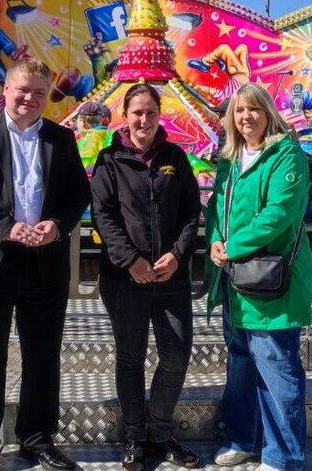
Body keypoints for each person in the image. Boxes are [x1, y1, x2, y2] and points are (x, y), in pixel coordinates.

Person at [0, 58, 90, 471]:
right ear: (6, 90)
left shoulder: (61, 139)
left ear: (48, 97)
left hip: (44, 263)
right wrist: (6, 228)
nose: (30, 99)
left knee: (43, 357)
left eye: (39, 93)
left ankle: (37, 439)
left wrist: (57, 226)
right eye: (23, 90)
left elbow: (78, 193)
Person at [89, 83, 202, 471]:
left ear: (159, 115)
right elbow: (103, 216)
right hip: (125, 280)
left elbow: (191, 213)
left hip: (171, 277)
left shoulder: (175, 158)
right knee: (131, 358)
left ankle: (160, 433)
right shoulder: (109, 160)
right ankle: (136, 437)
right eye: (137, 112)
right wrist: (130, 261)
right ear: (125, 114)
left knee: (176, 354)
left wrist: (177, 254)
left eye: (150, 112)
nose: (143, 119)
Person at [204, 82, 312, 471]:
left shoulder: (287, 156)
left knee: (277, 368)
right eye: (238, 111)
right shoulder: (231, 160)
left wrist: (232, 245)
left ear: (269, 113)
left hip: (271, 282)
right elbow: (218, 206)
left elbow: (279, 215)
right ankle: (242, 438)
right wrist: (217, 239)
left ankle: (283, 456)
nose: (246, 117)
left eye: (253, 109)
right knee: (240, 366)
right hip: (236, 282)